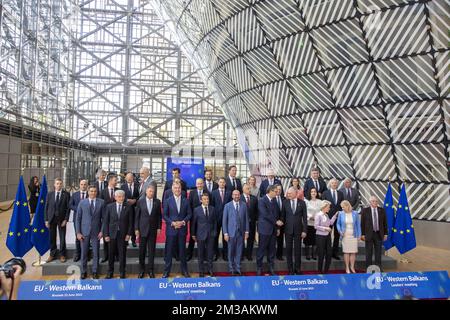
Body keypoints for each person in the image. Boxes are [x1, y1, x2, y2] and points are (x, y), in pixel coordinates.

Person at [163, 182, 192, 278]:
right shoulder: (167, 201)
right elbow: (165, 215)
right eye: (175, 188)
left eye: (179, 188)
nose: (177, 190)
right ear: (172, 189)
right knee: (169, 251)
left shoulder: (186, 200)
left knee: (182, 251)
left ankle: (184, 270)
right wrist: (172, 223)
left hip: (182, 230)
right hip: (171, 230)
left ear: (181, 189)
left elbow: (189, 214)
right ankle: (166, 271)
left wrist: (183, 222)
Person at [75, 185, 105, 279]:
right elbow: (78, 219)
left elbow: (104, 219)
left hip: (96, 232)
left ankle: (95, 271)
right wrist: (78, 232)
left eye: (95, 191)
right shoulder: (82, 202)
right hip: (84, 232)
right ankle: (83, 272)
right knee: (84, 253)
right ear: (88, 192)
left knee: (96, 253)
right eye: (91, 191)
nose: (93, 193)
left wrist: (102, 231)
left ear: (97, 192)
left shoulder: (101, 202)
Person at [103, 190, 133, 279]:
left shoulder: (128, 207)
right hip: (111, 234)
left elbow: (131, 222)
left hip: (123, 235)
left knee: (122, 254)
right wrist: (106, 235)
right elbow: (106, 222)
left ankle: (122, 272)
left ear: (124, 197)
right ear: (115, 197)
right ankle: (110, 272)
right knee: (111, 254)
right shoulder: (109, 207)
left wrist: (128, 234)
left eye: (122, 196)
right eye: (119, 197)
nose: (121, 198)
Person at [135, 185, 161, 278]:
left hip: (153, 230)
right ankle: (141, 270)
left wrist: (159, 227)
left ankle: (151, 270)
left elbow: (159, 216)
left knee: (151, 251)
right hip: (142, 230)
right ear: (146, 192)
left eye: (153, 192)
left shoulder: (157, 202)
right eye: (150, 191)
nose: (151, 193)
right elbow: (137, 216)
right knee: (141, 251)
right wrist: (136, 229)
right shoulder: (140, 201)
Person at [257, 185, 283, 276]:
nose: (277, 193)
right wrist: (276, 222)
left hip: (273, 230)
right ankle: (259, 268)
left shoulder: (275, 201)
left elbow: (277, 214)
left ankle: (271, 268)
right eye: (275, 191)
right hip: (264, 229)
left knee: (272, 250)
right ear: (270, 191)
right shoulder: (262, 200)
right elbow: (265, 214)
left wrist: (278, 228)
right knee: (261, 250)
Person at [281, 187, 307, 275]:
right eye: (288, 193)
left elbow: (305, 218)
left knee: (298, 250)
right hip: (288, 230)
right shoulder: (285, 203)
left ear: (296, 193)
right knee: (288, 250)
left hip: (298, 230)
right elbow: (282, 217)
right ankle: (290, 269)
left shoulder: (302, 203)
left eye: (290, 193)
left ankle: (297, 268)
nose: (288, 195)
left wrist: (304, 231)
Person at [222, 190, 249, 276]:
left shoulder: (244, 205)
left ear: (240, 195)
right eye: (235, 195)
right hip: (230, 233)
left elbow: (246, 220)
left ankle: (238, 268)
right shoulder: (227, 206)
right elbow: (224, 221)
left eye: (238, 194)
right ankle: (231, 269)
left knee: (239, 251)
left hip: (240, 233)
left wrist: (247, 231)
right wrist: (225, 233)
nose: (236, 196)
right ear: (232, 196)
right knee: (231, 251)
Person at [44, 178, 71, 263]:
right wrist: (46, 220)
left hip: (62, 220)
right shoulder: (50, 194)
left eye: (60, 183)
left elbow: (68, 208)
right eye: (57, 183)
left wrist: (66, 219)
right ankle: (52, 254)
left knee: (62, 238)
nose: (59, 185)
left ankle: (62, 254)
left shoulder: (66, 194)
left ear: (62, 185)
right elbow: (46, 207)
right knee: (52, 237)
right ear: (54, 185)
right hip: (51, 219)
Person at [192, 193, 217, 277]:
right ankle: (201, 271)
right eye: (205, 199)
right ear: (201, 200)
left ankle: (210, 270)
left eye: (207, 199)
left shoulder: (213, 209)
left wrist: (214, 232)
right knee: (200, 254)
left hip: (210, 235)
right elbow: (194, 223)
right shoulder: (196, 210)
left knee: (210, 253)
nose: (206, 200)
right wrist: (193, 234)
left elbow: (214, 222)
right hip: (200, 234)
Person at [361, 196, 388, 271]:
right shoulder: (365, 210)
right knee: (368, 252)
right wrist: (362, 234)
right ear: (370, 202)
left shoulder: (382, 210)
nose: (375, 202)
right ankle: (368, 268)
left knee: (378, 252)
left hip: (379, 234)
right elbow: (362, 223)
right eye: (373, 201)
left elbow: (385, 223)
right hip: (368, 234)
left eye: (376, 201)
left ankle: (378, 268)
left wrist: (386, 234)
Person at [187, 178, 210, 261]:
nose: (199, 185)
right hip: (194, 218)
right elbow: (189, 205)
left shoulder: (206, 193)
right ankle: (189, 254)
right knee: (192, 237)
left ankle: (203, 255)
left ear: (203, 184)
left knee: (203, 237)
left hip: (203, 220)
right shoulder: (192, 193)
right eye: (198, 184)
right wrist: (191, 216)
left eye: (201, 183)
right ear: (196, 184)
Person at [322, 178, 344, 260]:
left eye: (335, 183)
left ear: (337, 184)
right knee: (326, 235)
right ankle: (326, 252)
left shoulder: (341, 193)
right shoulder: (325, 193)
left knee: (337, 236)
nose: (334, 184)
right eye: (333, 183)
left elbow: (342, 205)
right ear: (330, 184)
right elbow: (323, 205)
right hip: (328, 217)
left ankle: (335, 253)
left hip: (338, 217)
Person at [337, 200, 361, 274]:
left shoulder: (355, 213)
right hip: (345, 236)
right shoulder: (341, 214)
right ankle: (347, 267)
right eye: (342, 207)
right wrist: (340, 231)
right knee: (346, 252)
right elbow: (338, 224)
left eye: (343, 207)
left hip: (353, 235)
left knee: (353, 252)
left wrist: (359, 235)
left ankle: (352, 267)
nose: (342, 208)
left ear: (347, 206)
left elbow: (358, 225)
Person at [314, 201, 339, 274]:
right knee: (321, 254)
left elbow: (330, 223)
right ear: (324, 207)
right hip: (320, 236)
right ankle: (320, 271)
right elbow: (316, 226)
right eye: (328, 207)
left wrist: (335, 216)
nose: (329, 208)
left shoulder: (327, 215)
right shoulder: (318, 215)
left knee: (329, 253)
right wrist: (325, 228)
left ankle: (326, 271)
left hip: (327, 236)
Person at [211, 177, 232, 261]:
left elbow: (230, 206)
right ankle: (215, 254)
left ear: (225, 183)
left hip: (226, 219)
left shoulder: (229, 193)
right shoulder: (213, 193)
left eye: (223, 182)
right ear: (218, 183)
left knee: (226, 237)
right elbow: (212, 206)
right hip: (216, 218)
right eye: (220, 182)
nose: (222, 184)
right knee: (215, 237)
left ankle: (225, 254)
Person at [99, 175, 118, 263]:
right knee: (106, 237)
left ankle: (116, 255)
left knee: (116, 237)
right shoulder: (103, 192)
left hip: (116, 219)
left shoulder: (118, 191)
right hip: (106, 218)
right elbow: (100, 205)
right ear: (110, 181)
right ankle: (106, 256)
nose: (116, 182)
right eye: (115, 180)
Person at [69, 179, 89, 262]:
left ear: (87, 185)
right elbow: (70, 205)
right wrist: (78, 209)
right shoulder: (75, 194)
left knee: (87, 237)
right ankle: (78, 254)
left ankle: (86, 254)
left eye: (85, 184)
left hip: (87, 220)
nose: (83, 186)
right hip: (77, 219)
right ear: (79, 185)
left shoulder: (90, 194)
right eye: (82, 184)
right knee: (78, 236)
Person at [122, 172, 139, 247]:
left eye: (130, 178)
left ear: (133, 178)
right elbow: (121, 195)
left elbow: (140, 195)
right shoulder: (123, 186)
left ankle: (133, 240)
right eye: (127, 178)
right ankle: (125, 241)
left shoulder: (137, 186)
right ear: (125, 178)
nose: (129, 179)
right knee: (127, 223)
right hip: (127, 208)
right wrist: (127, 200)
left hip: (135, 207)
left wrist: (135, 200)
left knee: (134, 224)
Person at [241, 183, 258, 261]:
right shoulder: (239, 198)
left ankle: (249, 255)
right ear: (243, 190)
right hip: (241, 223)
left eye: (249, 188)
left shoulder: (254, 198)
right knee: (241, 240)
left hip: (252, 223)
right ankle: (241, 255)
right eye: (247, 188)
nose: (249, 190)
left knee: (250, 240)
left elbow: (257, 211)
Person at [304, 188, 322, 260]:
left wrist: (317, 217)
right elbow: (304, 212)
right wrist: (310, 217)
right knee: (308, 239)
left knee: (315, 240)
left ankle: (314, 254)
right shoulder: (306, 201)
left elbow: (322, 211)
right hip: (309, 223)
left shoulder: (320, 201)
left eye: (315, 191)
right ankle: (307, 254)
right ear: (310, 193)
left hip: (317, 224)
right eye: (312, 192)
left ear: (317, 193)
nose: (313, 193)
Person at [273, 184, 285, 260]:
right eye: (277, 189)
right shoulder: (272, 199)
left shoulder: (284, 199)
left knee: (280, 241)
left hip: (282, 223)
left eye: (280, 189)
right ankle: (272, 255)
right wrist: (276, 221)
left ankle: (279, 255)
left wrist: (282, 221)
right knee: (273, 241)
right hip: (273, 223)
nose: (279, 191)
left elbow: (285, 212)